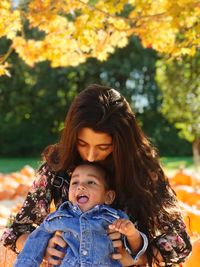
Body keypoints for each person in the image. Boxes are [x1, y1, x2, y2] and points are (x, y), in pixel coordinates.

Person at [1, 84, 192, 266]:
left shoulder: (142, 171)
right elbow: (16, 232)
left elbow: (179, 243)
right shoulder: (56, 168)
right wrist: (43, 247)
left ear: (121, 144)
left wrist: (133, 258)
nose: (91, 156)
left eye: (103, 147)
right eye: (82, 144)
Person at [14, 162, 147, 267]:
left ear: (108, 196)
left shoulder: (115, 218)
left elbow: (137, 248)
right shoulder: (58, 218)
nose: (81, 187)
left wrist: (132, 234)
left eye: (91, 182)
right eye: (75, 182)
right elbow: (34, 244)